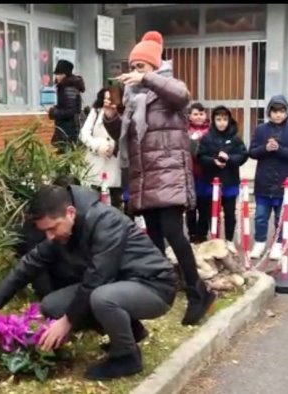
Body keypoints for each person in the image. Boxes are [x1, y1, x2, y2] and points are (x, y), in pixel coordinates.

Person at [0, 185, 177, 380]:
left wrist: (66, 322)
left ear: (70, 212)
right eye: (45, 231)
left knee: (101, 297)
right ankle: (131, 332)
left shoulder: (105, 221)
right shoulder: (64, 231)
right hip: (118, 284)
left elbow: (97, 278)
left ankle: (126, 358)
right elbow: (27, 265)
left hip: (154, 285)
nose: (49, 236)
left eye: (53, 228)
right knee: (53, 305)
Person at [102, 31, 215, 326]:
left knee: (174, 234)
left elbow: (182, 97)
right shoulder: (133, 97)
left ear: (154, 66)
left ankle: (198, 292)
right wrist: (112, 118)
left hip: (169, 174)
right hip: (146, 177)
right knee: (153, 240)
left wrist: (146, 79)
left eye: (141, 65)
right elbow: (128, 140)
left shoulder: (169, 88)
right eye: (133, 66)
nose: (135, 71)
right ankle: (161, 292)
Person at [248, 95, 288, 260]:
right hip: (263, 181)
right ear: (269, 112)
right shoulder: (261, 129)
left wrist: (279, 149)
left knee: (281, 217)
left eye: (281, 111)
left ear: (287, 112)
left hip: (285, 182)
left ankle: (278, 244)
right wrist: (265, 148)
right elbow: (252, 152)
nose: (278, 115)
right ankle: (259, 242)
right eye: (274, 111)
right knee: (260, 216)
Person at [13, 174, 85, 299]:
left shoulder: (83, 217)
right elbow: (36, 266)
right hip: (51, 276)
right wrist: (49, 297)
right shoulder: (40, 220)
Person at [197, 105, 248, 245]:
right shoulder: (207, 137)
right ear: (213, 120)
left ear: (229, 120)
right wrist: (213, 161)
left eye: (224, 119)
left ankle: (229, 240)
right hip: (210, 182)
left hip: (230, 181)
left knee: (230, 213)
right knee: (209, 212)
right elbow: (200, 157)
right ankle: (210, 239)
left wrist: (229, 159)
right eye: (218, 119)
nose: (221, 122)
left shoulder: (235, 138)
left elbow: (243, 155)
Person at [80, 88, 123, 209]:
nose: (108, 102)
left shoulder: (123, 113)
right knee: (95, 199)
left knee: (117, 200)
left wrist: (113, 147)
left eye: (111, 99)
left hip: (115, 163)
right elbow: (84, 133)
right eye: (105, 99)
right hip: (96, 163)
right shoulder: (96, 111)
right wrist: (97, 145)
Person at [186, 102, 211, 243]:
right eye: (195, 114)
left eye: (201, 114)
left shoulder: (210, 131)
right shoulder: (185, 131)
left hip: (204, 174)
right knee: (191, 207)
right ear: (189, 116)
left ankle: (203, 234)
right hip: (189, 173)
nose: (198, 117)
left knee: (204, 206)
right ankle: (192, 233)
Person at [49, 59, 85, 153]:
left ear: (64, 74)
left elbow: (71, 110)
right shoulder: (65, 86)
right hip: (66, 128)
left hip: (69, 129)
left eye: (58, 74)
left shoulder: (68, 88)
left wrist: (54, 112)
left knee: (67, 153)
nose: (56, 77)